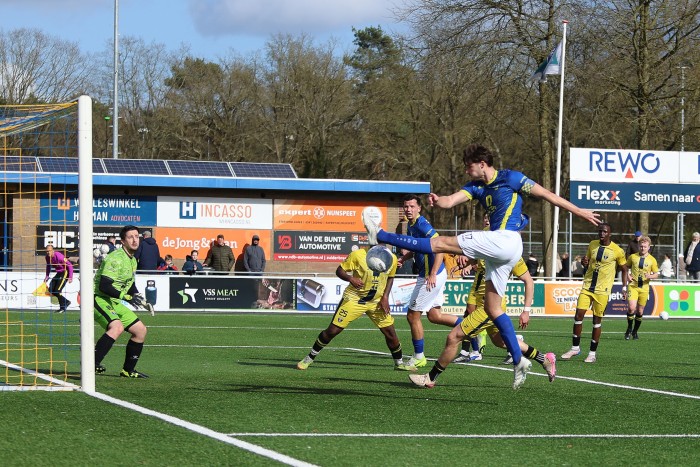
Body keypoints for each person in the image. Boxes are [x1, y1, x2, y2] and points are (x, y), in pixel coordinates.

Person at [362, 143, 601, 389]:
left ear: (482, 164)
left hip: (505, 239)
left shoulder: (511, 178)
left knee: (439, 243)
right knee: (493, 308)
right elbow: (450, 201)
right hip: (502, 252)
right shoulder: (476, 187)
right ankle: (520, 360)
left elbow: (548, 195)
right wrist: (439, 200)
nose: (467, 171)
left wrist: (579, 212)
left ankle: (380, 235)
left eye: (469, 167)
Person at [438, 259, 557, 387]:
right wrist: (466, 264)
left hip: (490, 306)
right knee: (499, 341)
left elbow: (528, 281)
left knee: (454, 336)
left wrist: (526, 311)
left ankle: (431, 376)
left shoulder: (512, 254)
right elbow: (476, 258)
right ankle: (544, 359)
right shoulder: (487, 248)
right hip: (479, 299)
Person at [296, 244, 416, 371]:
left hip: (376, 302)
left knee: (390, 333)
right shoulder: (358, 255)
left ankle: (399, 363)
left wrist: (385, 297)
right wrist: (350, 278)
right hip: (354, 299)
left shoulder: (391, 258)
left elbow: (391, 277)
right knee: (332, 330)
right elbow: (339, 270)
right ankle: (309, 358)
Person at [398, 194, 457, 368]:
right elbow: (417, 248)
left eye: (412, 206)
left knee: (412, 316)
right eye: (406, 206)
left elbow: (440, 247)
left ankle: (419, 357)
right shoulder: (411, 225)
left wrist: (432, 274)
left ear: (419, 208)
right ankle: (471, 328)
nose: (408, 209)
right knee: (434, 316)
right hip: (433, 274)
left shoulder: (422, 225)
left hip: (431, 275)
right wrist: (404, 258)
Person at [561, 223, 628, 363]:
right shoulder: (592, 244)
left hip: (602, 290)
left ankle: (592, 353)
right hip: (587, 286)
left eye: (604, 231)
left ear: (609, 234)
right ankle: (575, 348)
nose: (601, 233)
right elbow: (587, 262)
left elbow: (624, 269)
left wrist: (624, 287)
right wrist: (584, 262)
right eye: (600, 231)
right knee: (578, 315)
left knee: (596, 321)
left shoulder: (617, 250)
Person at [94, 225, 153, 378]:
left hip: (113, 301)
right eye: (130, 237)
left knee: (140, 330)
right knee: (117, 327)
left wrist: (141, 299)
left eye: (137, 236)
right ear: (123, 241)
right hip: (97, 298)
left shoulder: (132, 259)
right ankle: (91, 364)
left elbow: (129, 284)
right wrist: (127, 297)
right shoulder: (115, 258)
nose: (135, 240)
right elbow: (104, 286)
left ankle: (128, 370)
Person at [624, 235, 659, 340]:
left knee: (640, 311)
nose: (642, 248)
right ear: (639, 246)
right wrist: (628, 275)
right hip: (633, 286)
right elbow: (625, 267)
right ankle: (629, 329)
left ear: (649, 247)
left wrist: (650, 276)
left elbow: (656, 274)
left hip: (644, 288)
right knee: (631, 308)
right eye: (641, 246)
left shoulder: (652, 260)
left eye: (645, 246)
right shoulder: (633, 257)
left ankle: (635, 332)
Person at [44, 243, 73, 313]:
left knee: (57, 290)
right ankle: (65, 302)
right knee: (51, 289)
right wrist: (47, 276)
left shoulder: (59, 256)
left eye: (49, 251)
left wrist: (70, 277)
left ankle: (63, 306)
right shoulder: (47, 257)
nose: (48, 252)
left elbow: (70, 265)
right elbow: (48, 266)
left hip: (65, 272)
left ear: (52, 251)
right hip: (59, 273)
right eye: (47, 251)